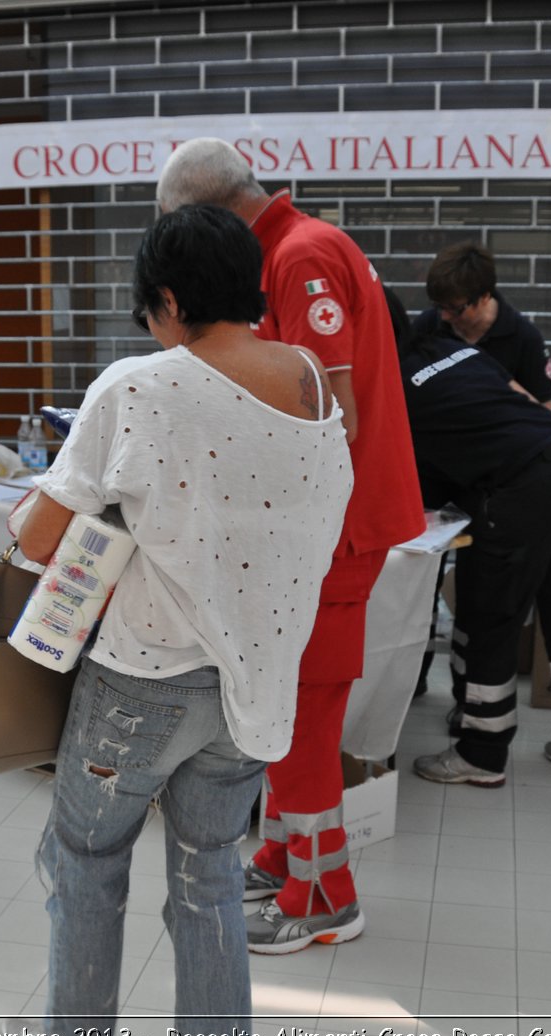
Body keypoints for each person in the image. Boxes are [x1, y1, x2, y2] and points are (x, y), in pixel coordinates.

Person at [10, 205, 353, 1036]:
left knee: (84, 863)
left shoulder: (138, 385)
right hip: (253, 690)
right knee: (210, 882)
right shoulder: (310, 379)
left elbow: (37, 537)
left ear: (165, 298)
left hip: (140, 685)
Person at [156, 138, 424, 953]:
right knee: (282, 700)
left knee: (302, 709)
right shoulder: (292, 246)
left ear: (207, 214)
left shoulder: (300, 258)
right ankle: (280, 855)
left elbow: (323, 410)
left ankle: (325, 895)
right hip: (323, 525)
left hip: (330, 530)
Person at [384, 289, 551, 788]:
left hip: (520, 485)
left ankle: (481, 751)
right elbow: (520, 400)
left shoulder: (393, 386)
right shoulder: (449, 348)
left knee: (490, 614)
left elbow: (413, 478)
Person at [414, 240, 551, 409]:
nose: (444, 316)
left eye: (454, 308)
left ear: (484, 297)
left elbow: (544, 413)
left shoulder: (524, 338)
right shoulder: (426, 327)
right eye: (439, 306)